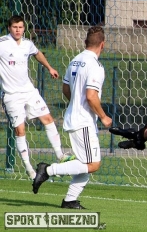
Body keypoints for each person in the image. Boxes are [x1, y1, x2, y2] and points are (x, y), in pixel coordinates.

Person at [32, 26, 112, 209]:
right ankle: (48, 170)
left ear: (85, 42)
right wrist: (104, 116)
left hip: (74, 118)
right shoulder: (96, 66)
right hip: (83, 121)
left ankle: (69, 200)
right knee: (93, 164)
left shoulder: (75, 60)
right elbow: (91, 96)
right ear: (102, 44)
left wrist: (76, 103)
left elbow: (66, 89)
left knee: (84, 163)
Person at [0, 15, 71, 180]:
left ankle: (60, 155)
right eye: (15, 27)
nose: (18, 30)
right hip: (11, 95)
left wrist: (49, 68)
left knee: (47, 118)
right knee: (20, 130)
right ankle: (29, 168)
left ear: (24, 28)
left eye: (20, 27)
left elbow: (37, 53)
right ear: (9, 28)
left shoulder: (27, 44)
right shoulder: (2, 44)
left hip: (29, 91)